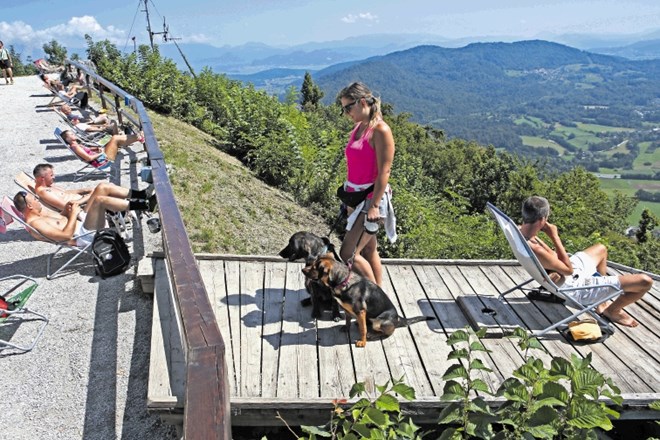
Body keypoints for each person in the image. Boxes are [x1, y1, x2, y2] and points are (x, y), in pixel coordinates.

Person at [519, 196, 653, 327]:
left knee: (601, 249)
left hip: (563, 274)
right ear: (542, 220)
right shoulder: (536, 249)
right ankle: (612, 310)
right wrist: (555, 236)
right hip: (573, 287)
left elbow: (553, 257)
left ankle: (600, 302)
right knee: (645, 281)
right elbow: (568, 270)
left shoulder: (520, 232)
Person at [336, 82, 397, 287]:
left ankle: (374, 302)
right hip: (355, 197)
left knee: (348, 253)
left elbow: (384, 171)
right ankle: (379, 294)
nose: (345, 113)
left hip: (370, 199)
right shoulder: (359, 127)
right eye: (343, 109)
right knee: (370, 250)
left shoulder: (381, 130)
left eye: (348, 107)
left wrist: (374, 206)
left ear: (362, 102)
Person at [13, 189, 152, 248]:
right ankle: (145, 206)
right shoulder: (36, 224)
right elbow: (65, 236)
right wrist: (73, 214)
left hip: (82, 223)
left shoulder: (39, 214)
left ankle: (142, 195)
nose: (38, 200)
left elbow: (61, 220)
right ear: (29, 206)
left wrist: (67, 210)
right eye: (35, 199)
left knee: (102, 187)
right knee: (100, 200)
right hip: (84, 235)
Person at [32, 163, 154, 212]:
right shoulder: (44, 192)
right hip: (81, 210)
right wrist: (86, 197)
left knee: (105, 187)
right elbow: (67, 206)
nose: (54, 177)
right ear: (42, 178)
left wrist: (85, 190)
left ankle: (142, 201)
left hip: (83, 202)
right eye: (51, 175)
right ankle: (143, 201)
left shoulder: (48, 186)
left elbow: (66, 193)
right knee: (103, 187)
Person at [60, 129, 143, 168]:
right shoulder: (75, 147)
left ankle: (137, 137)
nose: (73, 134)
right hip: (102, 161)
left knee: (114, 138)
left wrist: (96, 149)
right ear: (67, 139)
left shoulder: (76, 145)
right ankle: (138, 137)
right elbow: (88, 158)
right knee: (115, 138)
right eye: (71, 134)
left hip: (101, 157)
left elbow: (88, 151)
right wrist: (101, 153)